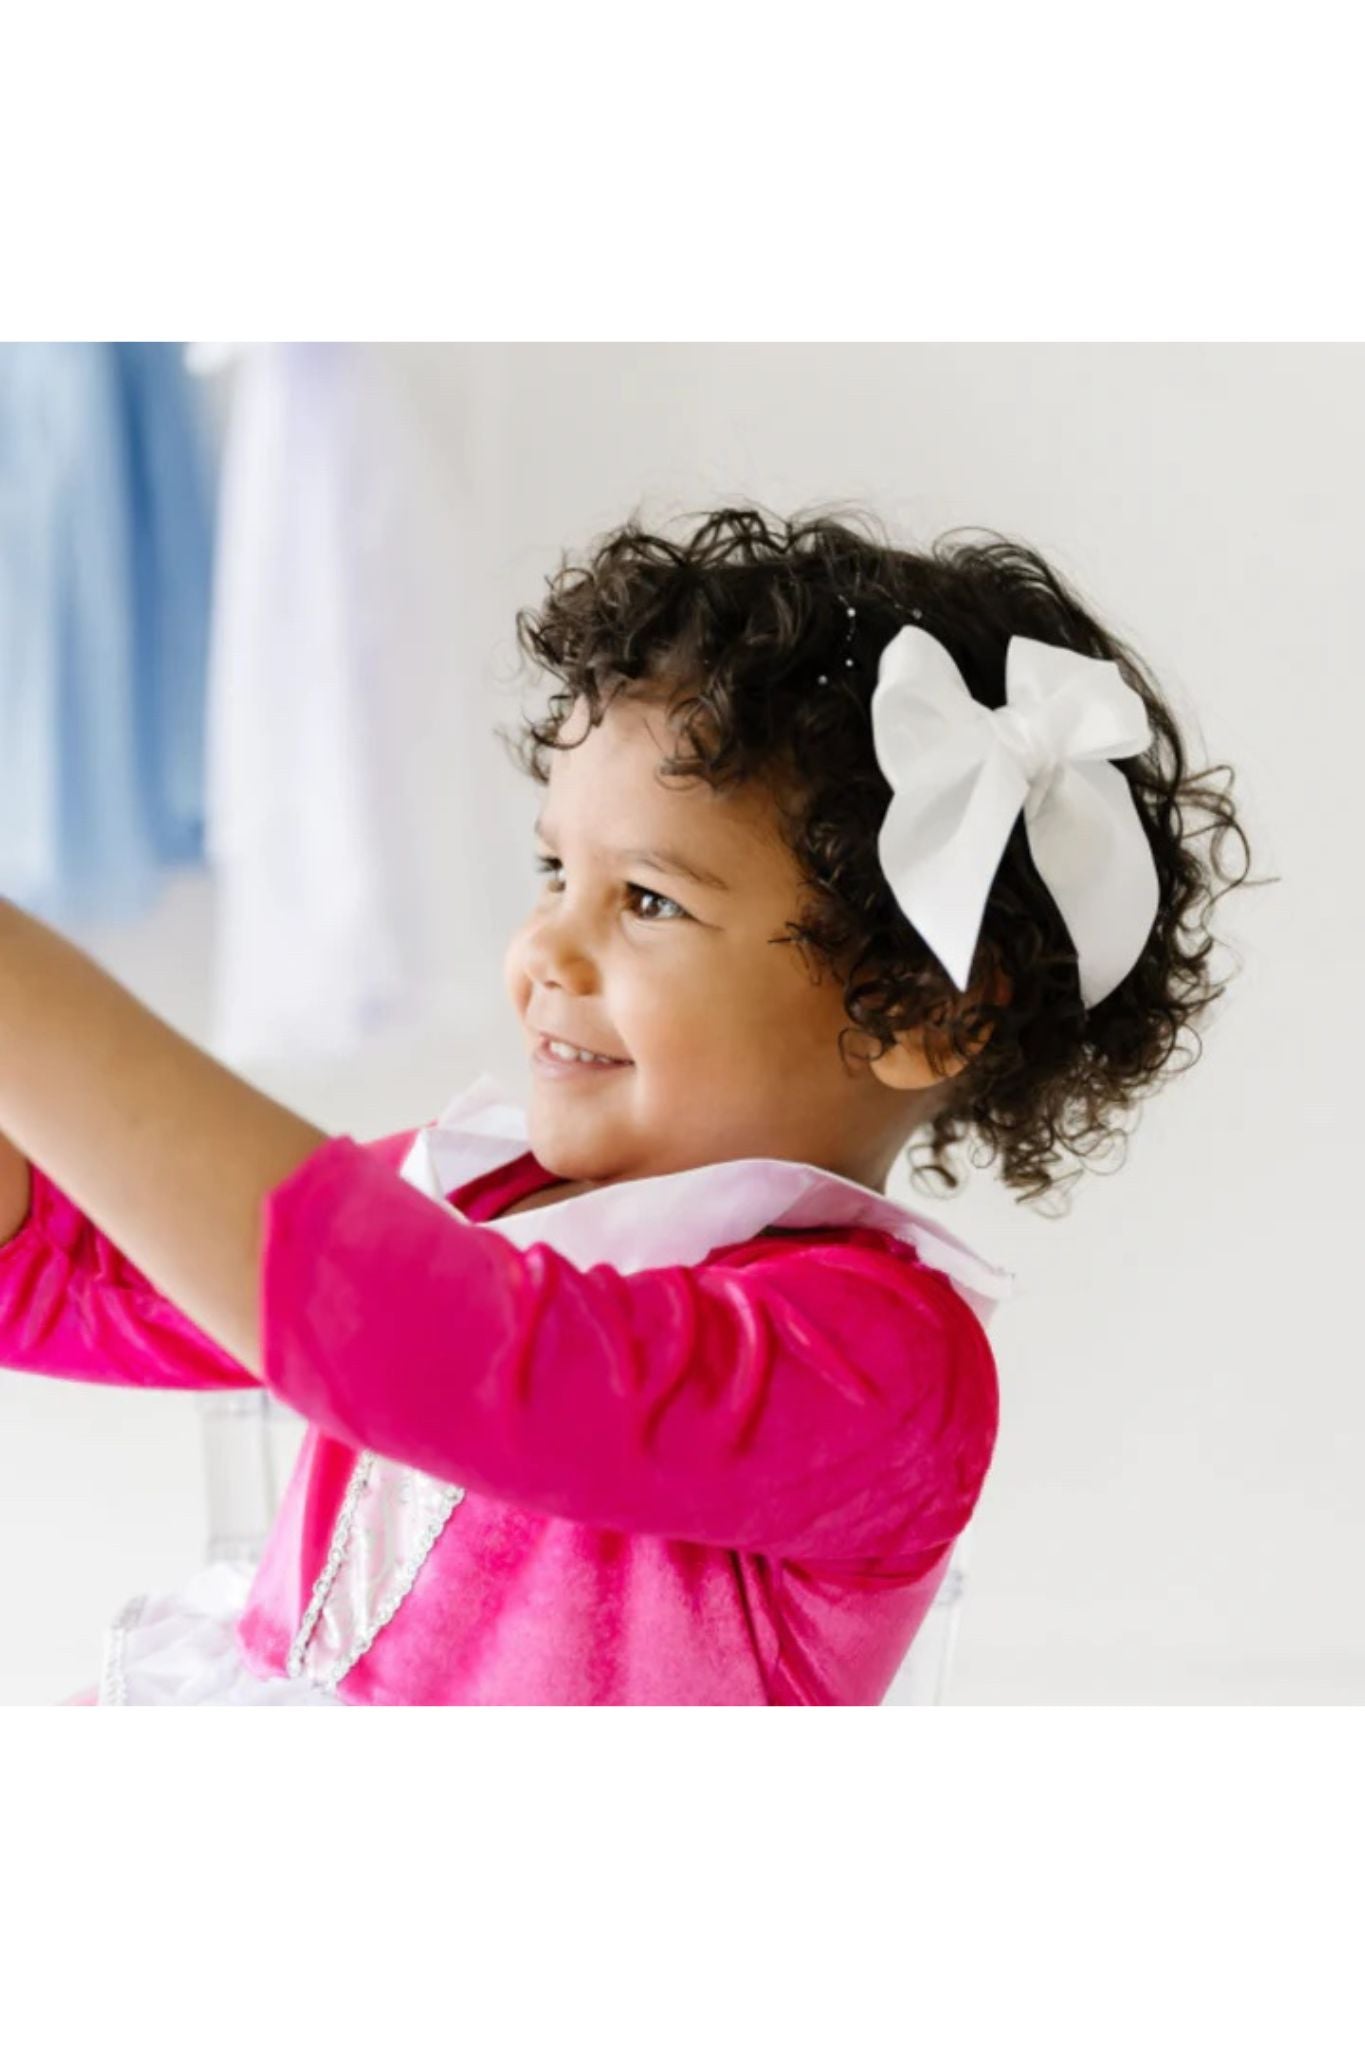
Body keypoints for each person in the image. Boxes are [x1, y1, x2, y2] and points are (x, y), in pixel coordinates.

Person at [0, 504, 1256, 1705]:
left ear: (921, 1012)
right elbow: (68, 1269)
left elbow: (414, 1343)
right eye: (555, 867)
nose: (544, 948)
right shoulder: (482, 1183)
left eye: (649, 899)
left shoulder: (881, 1364)